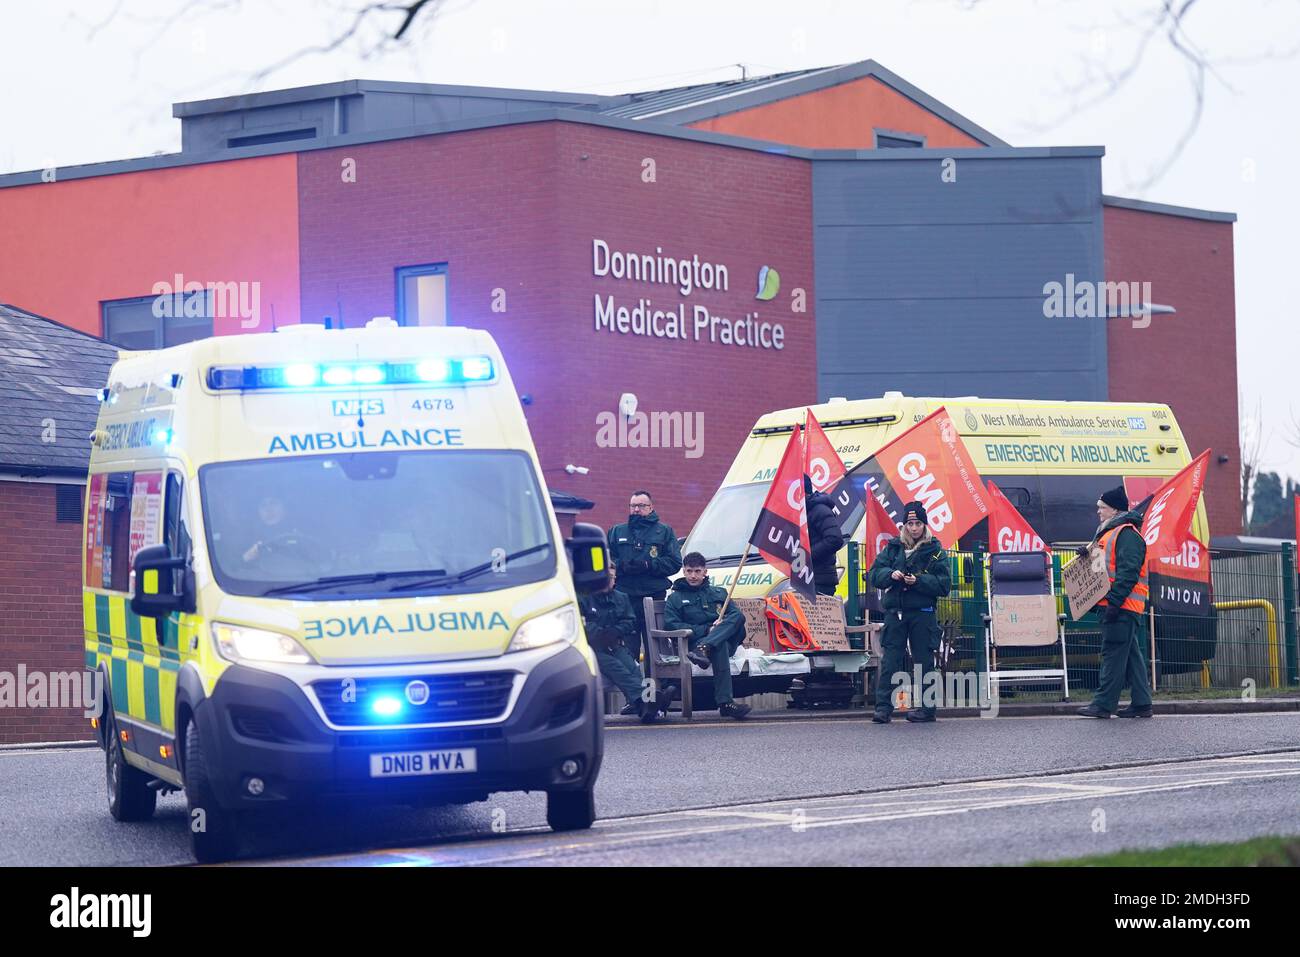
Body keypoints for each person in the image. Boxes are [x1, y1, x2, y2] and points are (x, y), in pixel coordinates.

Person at [868, 501, 951, 724]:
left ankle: (927, 710)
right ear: (904, 525)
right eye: (910, 523)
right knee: (890, 661)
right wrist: (890, 575)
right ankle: (883, 709)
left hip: (922, 614)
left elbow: (944, 585)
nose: (914, 528)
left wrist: (919, 581)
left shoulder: (935, 551)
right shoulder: (893, 548)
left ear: (924, 525)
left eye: (918, 523)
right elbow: (874, 574)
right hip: (895, 613)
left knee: (924, 662)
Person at [1076, 486, 1154, 719]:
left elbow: (1128, 572)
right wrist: (1086, 554)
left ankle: (1103, 704)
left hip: (1120, 606)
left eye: (1102, 508)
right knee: (1129, 655)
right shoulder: (1111, 533)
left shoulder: (1126, 534)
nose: (1098, 512)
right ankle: (1142, 703)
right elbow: (1106, 563)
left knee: (1112, 653)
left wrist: (1114, 603)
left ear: (1114, 510)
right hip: (1119, 605)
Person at [664, 552, 751, 720]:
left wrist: (719, 627)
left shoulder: (719, 593)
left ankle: (705, 648)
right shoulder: (675, 598)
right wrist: (706, 630)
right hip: (696, 643)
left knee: (738, 616)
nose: (693, 576)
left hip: (717, 643)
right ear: (683, 571)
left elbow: (736, 617)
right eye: (689, 571)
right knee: (720, 647)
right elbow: (671, 624)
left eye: (697, 571)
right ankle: (726, 703)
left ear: (705, 571)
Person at [579, 568, 670, 724]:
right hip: (594, 648)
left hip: (616, 644)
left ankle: (645, 708)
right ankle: (652, 701)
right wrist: (601, 634)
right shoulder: (584, 598)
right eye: (605, 577)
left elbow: (630, 621)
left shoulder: (621, 597)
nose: (608, 581)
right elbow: (582, 624)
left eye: (612, 577)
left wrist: (616, 631)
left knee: (632, 668)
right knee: (617, 668)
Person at [607, 490, 682, 678]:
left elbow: (674, 562)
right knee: (627, 648)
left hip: (653, 596)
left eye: (641, 506)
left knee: (654, 649)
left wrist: (649, 564)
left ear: (651, 507)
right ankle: (635, 698)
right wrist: (620, 566)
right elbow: (605, 559)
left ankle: (655, 694)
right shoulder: (617, 531)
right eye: (633, 506)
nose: (637, 510)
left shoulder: (664, 531)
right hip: (625, 598)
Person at [805, 475, 845, 596]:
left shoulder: (819, 509)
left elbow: (835, 539)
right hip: (806, 578)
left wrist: (806, 555)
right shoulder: (802, 511)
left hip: (820, 580)